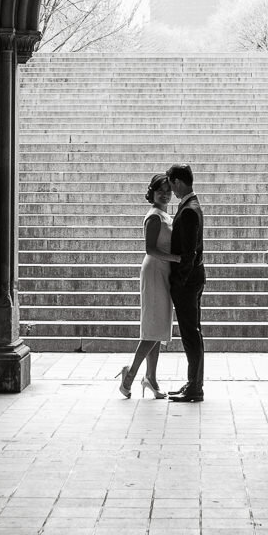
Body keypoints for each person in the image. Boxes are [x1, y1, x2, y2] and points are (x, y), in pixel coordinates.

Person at [116, 173, 174, 399]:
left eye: (168, 190)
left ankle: (151, 377)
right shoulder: (154, 217)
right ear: (152, 192)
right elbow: (150, 249)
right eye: (161, 190)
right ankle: (130, 375)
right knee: (152, 326)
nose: (166, 194)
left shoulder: (165, 215)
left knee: (158, 326)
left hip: (164, 270)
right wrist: (176, 258)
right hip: (154, 270)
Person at [166, 162, 204, 402]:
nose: (171, 190)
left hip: (188, 282)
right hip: (193, 279)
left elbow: (189, 254)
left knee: (190, 333)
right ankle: (193, 383)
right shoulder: (192, 205)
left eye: (171, 185)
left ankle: (195, 387)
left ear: (178, 182)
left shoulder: (189, 210)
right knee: (193, 332)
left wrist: (178, 283)